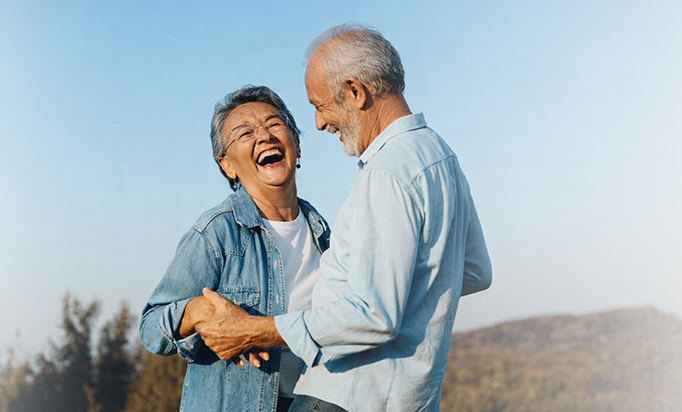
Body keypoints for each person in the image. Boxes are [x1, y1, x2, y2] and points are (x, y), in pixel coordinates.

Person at [194, 24, 493, 412]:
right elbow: (474, 272)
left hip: (342, 395)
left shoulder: (387, 172)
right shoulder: (439, 155)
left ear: (355, 91)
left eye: (320, 105)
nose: (319, 122)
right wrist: (400, 294)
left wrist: (253, 331)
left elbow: (374, 316)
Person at [139, 85, 331, 412]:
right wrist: (195, 310)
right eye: (245, 133)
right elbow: (150, 327)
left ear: (297, 145)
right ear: (227, 165)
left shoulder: (323, 234)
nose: (265, 136)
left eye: (274, 124)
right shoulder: (216, 233)